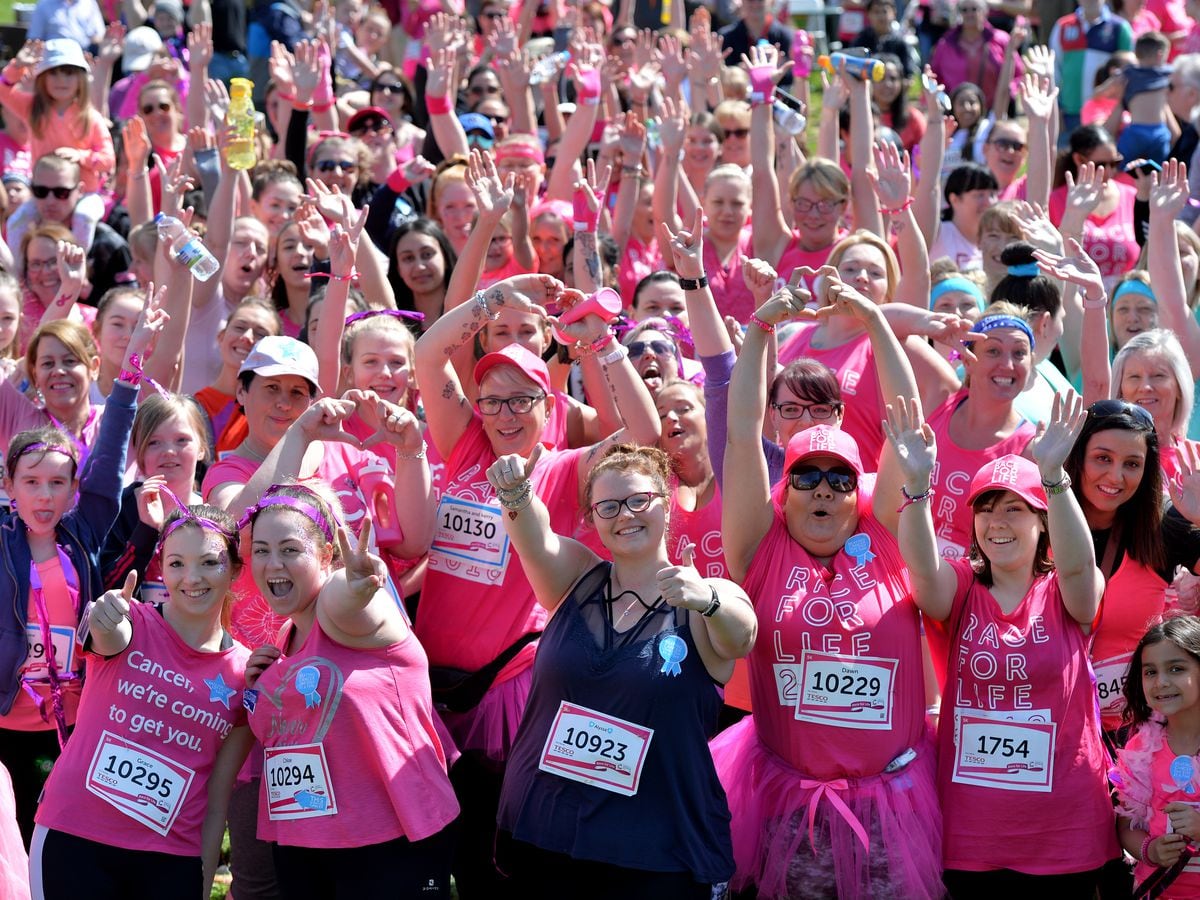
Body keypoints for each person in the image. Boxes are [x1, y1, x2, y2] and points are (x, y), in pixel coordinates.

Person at [413, 273, 659, 897]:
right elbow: (427, 354)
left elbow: (644, 435)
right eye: (492, 400)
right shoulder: (464, 446)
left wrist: (603, 345)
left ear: (550, 406)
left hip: (508, 692)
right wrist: (501, 295)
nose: (505, 414)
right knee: (437, 857)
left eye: (523, 399)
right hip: (429, 691)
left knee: (501, 858)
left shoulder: (566, 472)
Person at [710, 271, 943, 899]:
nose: (822, 489)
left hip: (891, 808)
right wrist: (761, 330)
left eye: (839, 477)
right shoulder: (760, 546)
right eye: (806, 475)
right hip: (787, 805)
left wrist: (872, 317)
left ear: (858, 489)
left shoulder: (887, 534)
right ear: (785, 487)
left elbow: (907, 421)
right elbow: (737, 434)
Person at [486, 441, 754, 897]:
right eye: (608, 506)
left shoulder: (705, 597)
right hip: (546, 828)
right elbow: (537, 539)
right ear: (592, 518)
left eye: (638, 500)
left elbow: (741, 632)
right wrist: (517, 494)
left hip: (653, 849)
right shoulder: (577, 577)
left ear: (666, 507)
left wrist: (705, 599)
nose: (625, 515)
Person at [887, 392, 1119, 894]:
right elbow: (922, 572)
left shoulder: (1065, 591)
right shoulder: (963, 585)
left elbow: (1080, 565)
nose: (997, 522)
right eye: (986, 509)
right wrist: (915, 487)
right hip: (972, 829)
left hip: (1064, 828)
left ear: (1042, 522)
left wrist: (1055, 478)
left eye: (1015, 509)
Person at [242, 483, 459, 897]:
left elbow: (345, 600)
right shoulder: (279, 651)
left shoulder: (350, 615)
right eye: (261, 550)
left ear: (326, 555)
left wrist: (357, 584)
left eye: (290, 549)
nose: (273, 564)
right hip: (302, 843)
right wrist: (260, 691)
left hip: (390, 841)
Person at [30, 504, 253, 898]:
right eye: (177, 562)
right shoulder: (130, 619)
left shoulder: (244, 673)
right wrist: (106, 618)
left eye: (209, 562)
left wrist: (202, 883)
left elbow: (218, 798)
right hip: (75, 840)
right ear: (161, 568)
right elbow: (110, 635)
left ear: (235, 570)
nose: (192, 577)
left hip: (170, 859)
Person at [0, 327, 144, 840]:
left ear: (73, 489)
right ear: (8, 485)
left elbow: (109, 455)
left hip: (73, 723)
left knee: (57, 839)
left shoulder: (80, 535)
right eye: (31, 482)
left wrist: (128, 372)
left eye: (57, 483)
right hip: (5, 725)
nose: (44, 495)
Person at [1113, 616, 1200, 895]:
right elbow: (1126, 826)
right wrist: (1149, 850)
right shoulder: (1141, 748)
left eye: (1176, 668)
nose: (1161, 682)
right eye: (1150, 672)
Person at [100, 393, 215, 603]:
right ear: (140, 453)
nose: (169, 451)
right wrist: (145, 531)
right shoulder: (120, 508)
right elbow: (107, 590)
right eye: (154, 442)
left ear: (201, 449)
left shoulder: (213, 515)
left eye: (182, 440)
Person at [0, 40, 114, 253]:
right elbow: (3, 90)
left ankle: (77, 270)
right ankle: (17, 277)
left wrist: (81, 156)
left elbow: (108, 159)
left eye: (69, 73)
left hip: (84, 194)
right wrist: (18, 66)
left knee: (84, 217)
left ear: (81, 78)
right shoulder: (33, 108)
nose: (61, 80)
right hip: (43, 196)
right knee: (16, 222)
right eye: (54, 73)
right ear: (42, 77)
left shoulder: (91, 118)